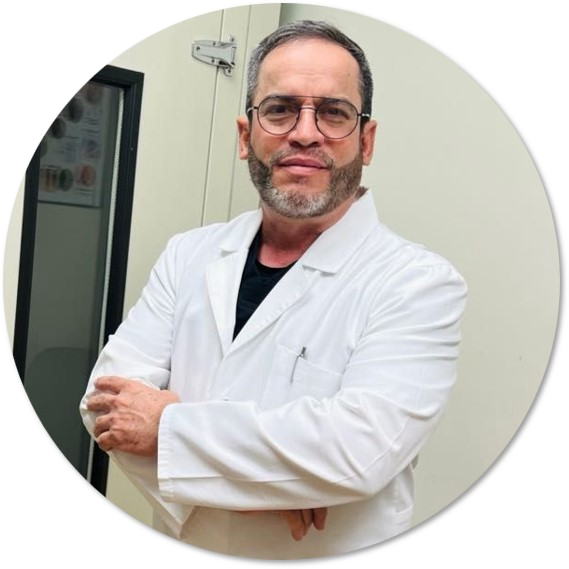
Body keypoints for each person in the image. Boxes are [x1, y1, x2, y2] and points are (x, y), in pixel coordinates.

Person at [80, 19, 468, 559]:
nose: (305, 133)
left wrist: (166, 427)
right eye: (280, 109)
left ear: (366, 140)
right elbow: (106, 408)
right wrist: (268, 488)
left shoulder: (418, 283)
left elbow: (358, 454)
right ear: (246, 137)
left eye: (333, 113)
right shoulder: (188, 254)